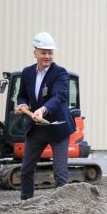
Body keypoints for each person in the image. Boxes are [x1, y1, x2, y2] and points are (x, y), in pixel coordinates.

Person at [15, 32, 76, 200]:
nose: (47, 56)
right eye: (43, 52)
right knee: (26, 169)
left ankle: (61, 207)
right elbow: (22, 95)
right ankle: (25, 203)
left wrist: (42, 109)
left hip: (58, 127)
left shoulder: (60, 73)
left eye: (50, 52)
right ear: (35, 52)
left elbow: (59, 97)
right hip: (37, 128)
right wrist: (23, 104)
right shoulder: (27, 73)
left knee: (60, 172)